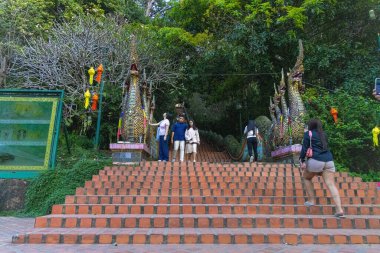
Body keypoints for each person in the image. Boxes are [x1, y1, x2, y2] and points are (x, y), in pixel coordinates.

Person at [299, 119, 345, 218]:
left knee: (306, 177)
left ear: (310, 125)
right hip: (329, 161)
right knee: (331, 185)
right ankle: (339, 209)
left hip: (316, 160)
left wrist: (302, 160)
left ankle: (311, 200)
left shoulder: (308, 133)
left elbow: (304, 148)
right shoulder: (324, 134)